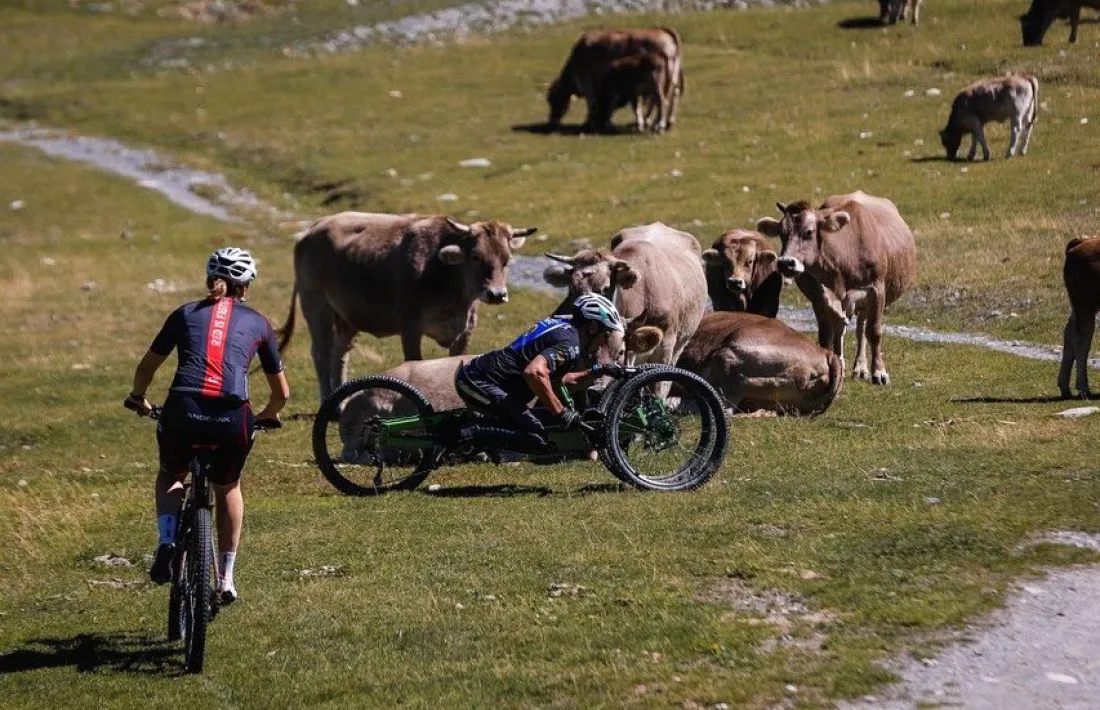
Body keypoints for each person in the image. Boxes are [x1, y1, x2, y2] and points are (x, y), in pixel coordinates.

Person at [124, 247, 290, 604]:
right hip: (232, 417)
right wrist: (266, 415)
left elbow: (145, 369)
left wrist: (139, 397)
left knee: (171, 475)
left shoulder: (184, 314)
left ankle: (167, 541)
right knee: (228, 486)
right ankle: (226, 578)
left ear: (209, 280)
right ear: (245, 287)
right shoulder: (259, 323)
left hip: (182, 410)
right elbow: (282, 394)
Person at [454, 293, 626, 443]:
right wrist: (560, 412)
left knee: (532, 427)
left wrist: (598, 371)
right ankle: (458, 436)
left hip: (476, 376)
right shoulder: (570, 344)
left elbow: (559, 382)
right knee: (535, 435)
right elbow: (534, 372)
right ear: (593, 327)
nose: (603, 343)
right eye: (605, 336)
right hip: (477, 382)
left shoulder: (565, 329)